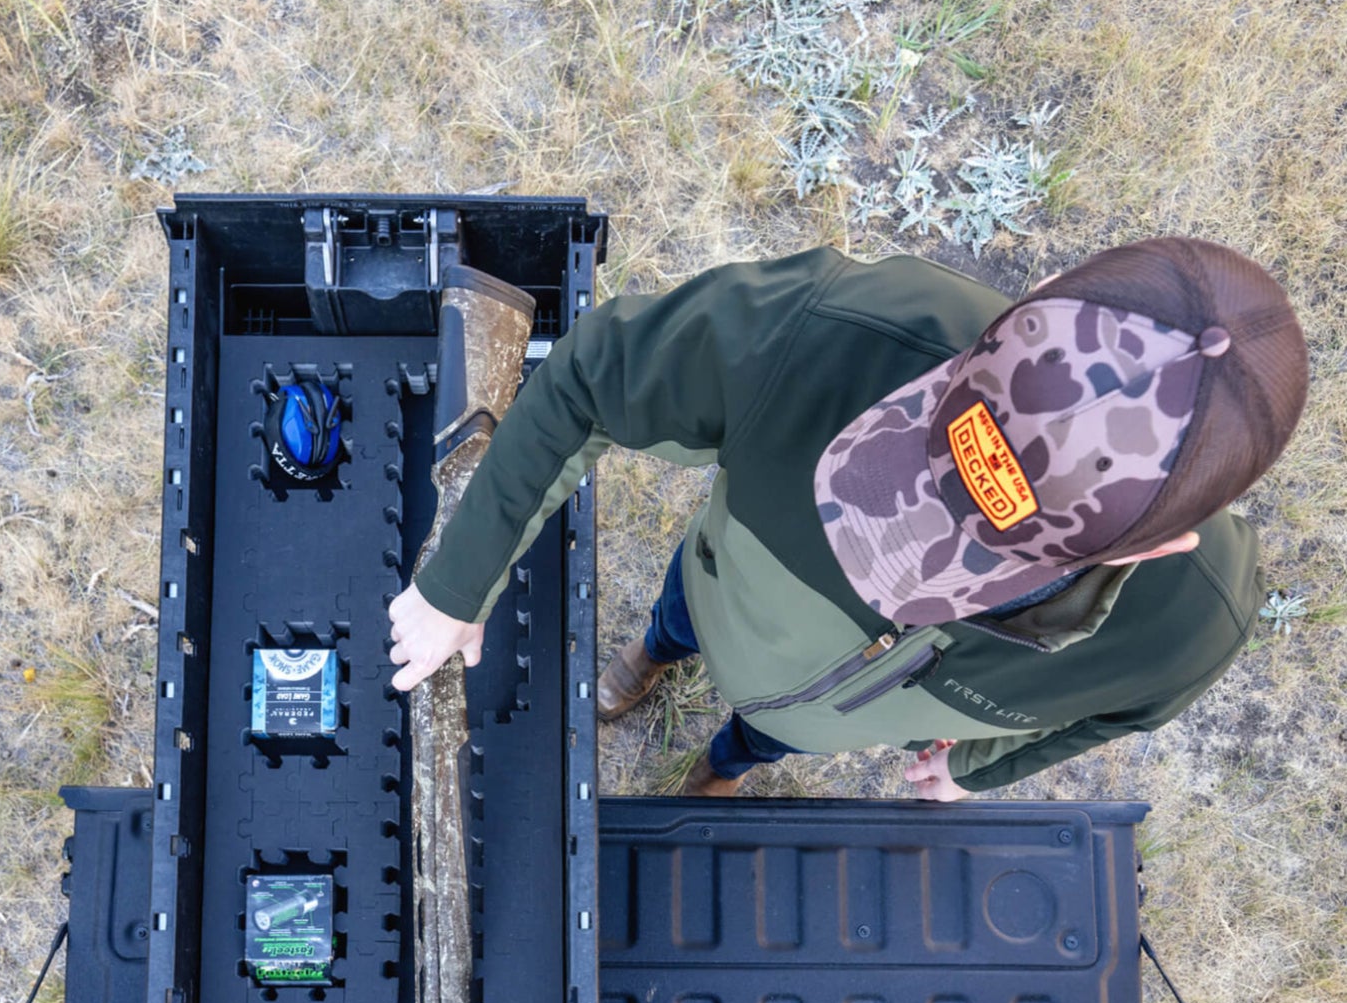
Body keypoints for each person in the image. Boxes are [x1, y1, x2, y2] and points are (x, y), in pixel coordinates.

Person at [388, 238, 1307, 799]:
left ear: (1164, 547)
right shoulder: (833, 326)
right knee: (680, 612)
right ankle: (655, 654)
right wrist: (455, 584)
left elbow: (1119, 716)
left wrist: (979, 770)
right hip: (720, 593)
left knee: (762, 738)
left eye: (992, 551)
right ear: (1043, 296)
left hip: (822, 722)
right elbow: (592, 380)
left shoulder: (1192, 627)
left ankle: (724, 768)